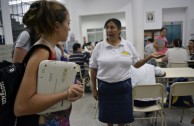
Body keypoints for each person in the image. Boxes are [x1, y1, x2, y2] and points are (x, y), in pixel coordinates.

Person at [13, 1, 84, 126]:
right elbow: (21, 106)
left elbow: (46, 89)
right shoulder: (42, 52)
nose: (69, 27)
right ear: (57, 26)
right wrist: (66, 93)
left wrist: (71, 88)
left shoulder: (50, 49)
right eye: (68, 23)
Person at [89, 18, 164, 126]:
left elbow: (136, 64)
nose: (109, 30)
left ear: (119, 29)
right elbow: (93, 68)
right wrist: (94, 89)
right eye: (107, 28)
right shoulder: (99, 46)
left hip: (123, 86)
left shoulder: (127, 45)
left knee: (122, 117)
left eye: (112, 27)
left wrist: (149, 57)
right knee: (108, 117)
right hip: (105, 87)